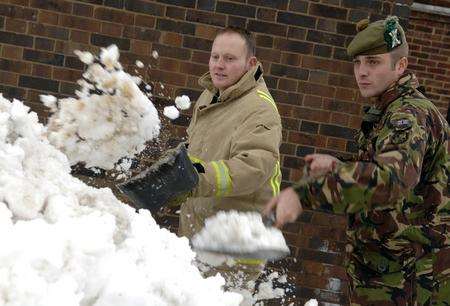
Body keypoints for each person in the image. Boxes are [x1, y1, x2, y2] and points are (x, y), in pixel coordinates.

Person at [264, 16, 449, 305]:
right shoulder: (388, 111)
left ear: (400, 66)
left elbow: (393, 179)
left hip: (412, 281)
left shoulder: (409, 115)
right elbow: (397, 172)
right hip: (388, 274)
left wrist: (304, 195)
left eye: (373, 62)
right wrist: (341, 166)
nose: (361, 72)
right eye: (357, 62)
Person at [180, 26, 282, 289]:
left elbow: (253, 167)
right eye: (215, 57)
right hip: (199, 232)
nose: (219, 65)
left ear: (251, 64)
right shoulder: (212, 95)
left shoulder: (259, 109)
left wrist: (194, 178)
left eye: (230, 59)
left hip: (233, 247)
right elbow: (200, 152)